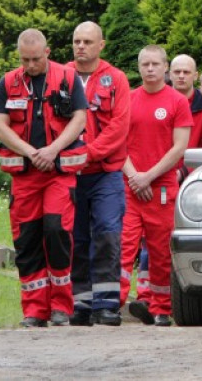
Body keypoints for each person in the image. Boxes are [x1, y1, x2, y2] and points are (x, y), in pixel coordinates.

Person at [0, 29, 88, 327]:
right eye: (24, 59)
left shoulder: (68, 78)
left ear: (47, 53)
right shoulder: (9, 82)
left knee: (56, 230)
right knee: (27, 239)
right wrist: (31, 152)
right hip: (25, 175)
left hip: (58, 174)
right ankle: (34, 310)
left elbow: (80, 118)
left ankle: (61, 306)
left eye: (35, 59)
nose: (30, 65)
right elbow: (0, 126)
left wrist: (53, 150)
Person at [120, 45, 192, 327]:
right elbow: (118, 144)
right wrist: (134, 176)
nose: (150, 69)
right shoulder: (128, 99)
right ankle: (114, 304)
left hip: (161, 189)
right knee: (123, 246)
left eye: (155, 64)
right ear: (139, 67)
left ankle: (162, 308)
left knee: (161, 252)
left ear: (165, 68)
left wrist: (147, 176)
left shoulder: (177, 102)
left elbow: (179, 148)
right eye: (145, 64)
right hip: (130, 186)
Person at [66, 22, 131, 326]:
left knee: (107, 233)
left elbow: (119, 128)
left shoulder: (116, 79)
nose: (81, 47)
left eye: (88, 41)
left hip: (105, 173)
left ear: (101, 45)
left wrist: (87, 153)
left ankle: (107, 305)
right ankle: (80, 303)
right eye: (77, 41)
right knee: (75, 238)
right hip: (68, 174)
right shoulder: (59, 75)